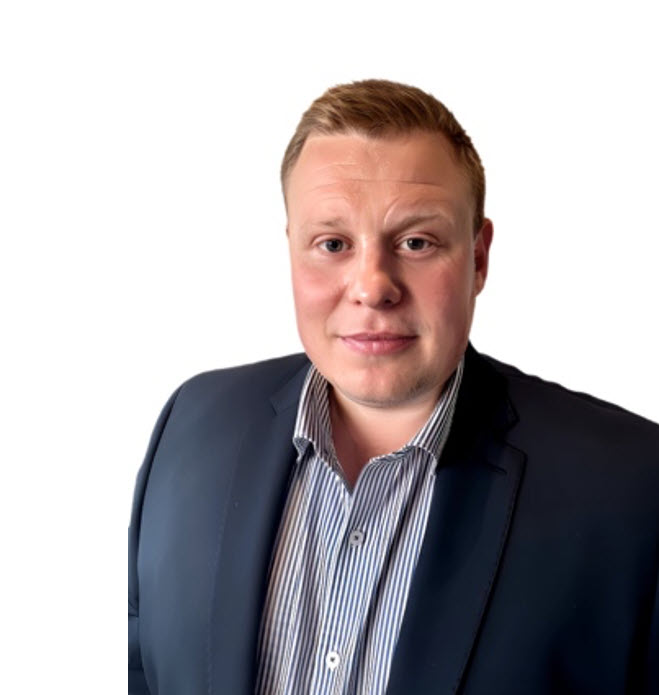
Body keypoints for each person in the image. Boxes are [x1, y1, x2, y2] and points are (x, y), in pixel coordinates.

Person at [128, 79, 659, 695]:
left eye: (416, 242)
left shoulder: (633, 487)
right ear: (292, 252)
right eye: (332, 244)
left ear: (478, 258)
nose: (373, 286)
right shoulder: (191, 424)